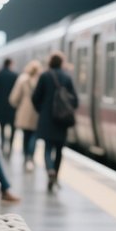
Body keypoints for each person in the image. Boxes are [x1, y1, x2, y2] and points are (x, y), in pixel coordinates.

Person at [32, 51, 78, 192]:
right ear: (61, 63)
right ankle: (56, 176)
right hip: (61, 120)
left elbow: (35, 97)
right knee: (59, 150)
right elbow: (75, 100)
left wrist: (42, 110)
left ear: (50, 62)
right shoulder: (66, 77)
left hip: (47, 119)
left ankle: (50, 170)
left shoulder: (44, 76)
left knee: (47, 148)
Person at [9, 59, 41, 171]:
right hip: (37, 112)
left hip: (24, 111)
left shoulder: (22, 79)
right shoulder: (40, 80)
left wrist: (18, 105)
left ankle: (25, 158)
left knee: (25, 136)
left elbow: (14, 98)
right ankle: (30, 157)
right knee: (34, 136)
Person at [0, 59, 17, 156]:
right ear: (10, 64)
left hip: (1, 105)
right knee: (13, 127)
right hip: (12, 106)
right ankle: (10, 146)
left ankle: (2, 143)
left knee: (2, 126)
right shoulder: (15, 75)